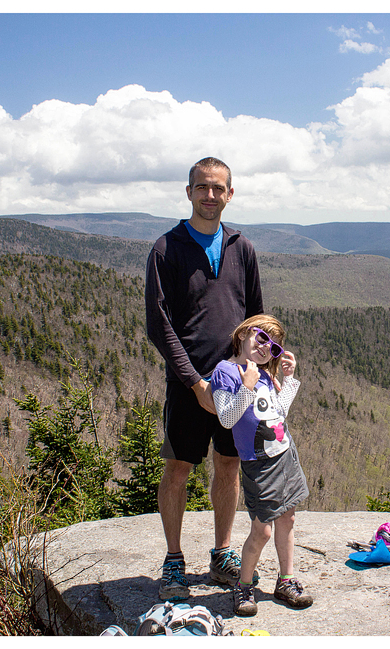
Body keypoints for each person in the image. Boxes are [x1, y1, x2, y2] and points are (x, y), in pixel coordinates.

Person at [145, 157, 264, 601]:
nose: (209, 195)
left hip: (237, 381)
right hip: (187, 383)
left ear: (230, 194)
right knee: (178, 468)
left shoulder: (241, 247)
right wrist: (195, 383)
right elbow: (159, 324)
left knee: (228, 464)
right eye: (202, 187)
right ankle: (174, 561)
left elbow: (255, 317)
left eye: (218, 188)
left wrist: (259, 370)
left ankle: (222, 553)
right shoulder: (167, 248)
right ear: (189, 191)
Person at [209, 314, 313, 617]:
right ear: (243, 334)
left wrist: (289, 380)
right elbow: (227, 419)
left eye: (275, 348)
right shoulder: (225, 372)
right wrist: (248, 386)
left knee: (288, 520)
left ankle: (286, 580)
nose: (267, 348)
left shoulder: (265, 374)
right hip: (259, 464)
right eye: (261, 337)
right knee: (263, 531)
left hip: (285, 455)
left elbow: (278, 413)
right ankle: (243, 586)